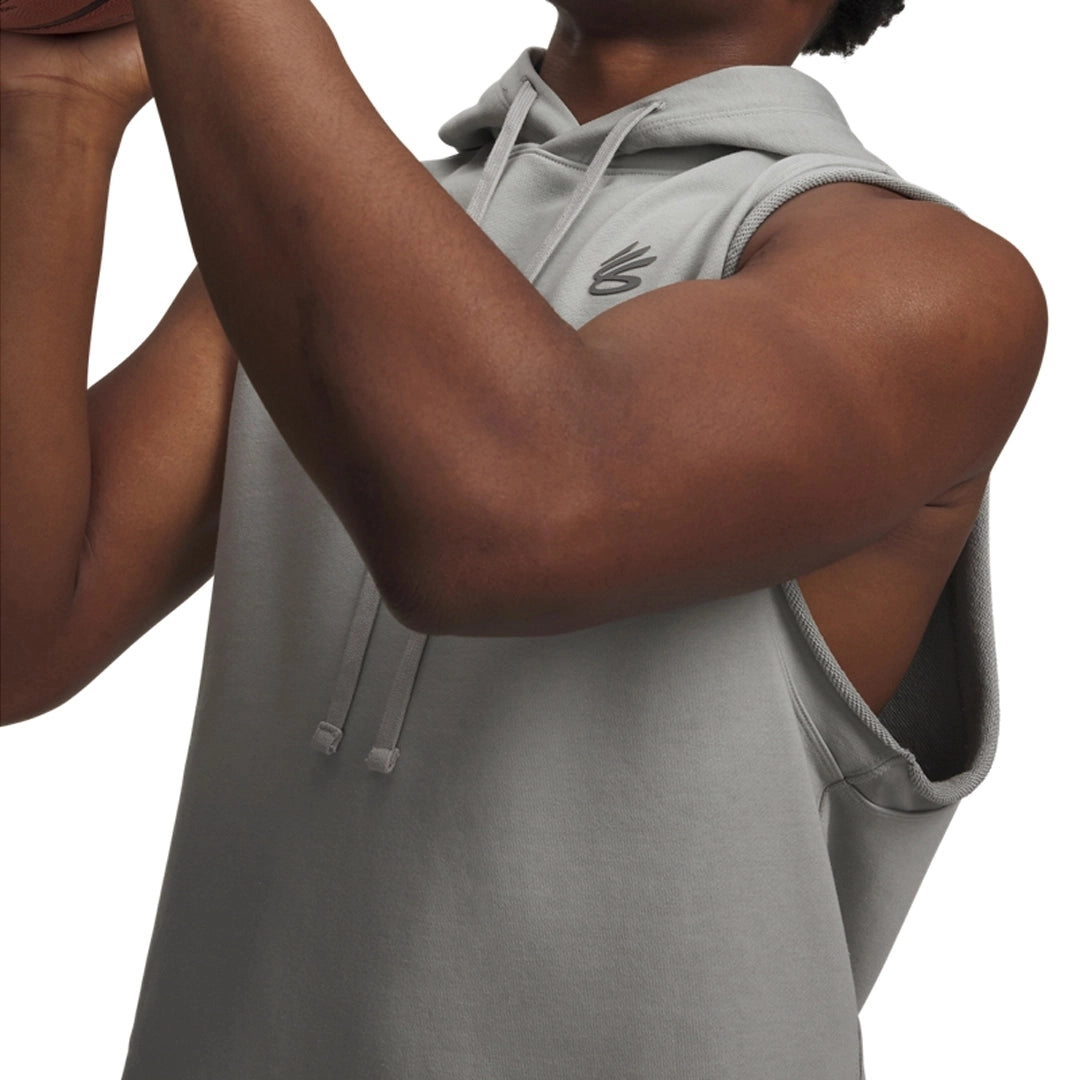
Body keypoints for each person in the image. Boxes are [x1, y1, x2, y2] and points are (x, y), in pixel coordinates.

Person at [0, 1, 1047, 1077]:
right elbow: (21, 636)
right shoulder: (323, 250)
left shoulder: (929, 277)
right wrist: (53, 97)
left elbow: (500, 515)